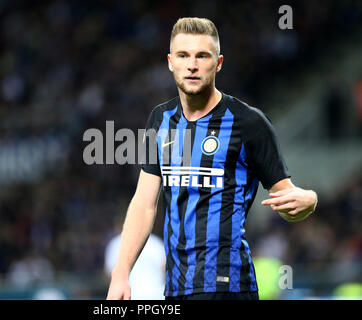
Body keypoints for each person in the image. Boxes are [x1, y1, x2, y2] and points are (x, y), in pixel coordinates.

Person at [106, 17, 318, 300]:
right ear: (171, 62)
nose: (192, 65)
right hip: (176, 287)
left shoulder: (249, 122)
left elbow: (288, 201)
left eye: (202, 56)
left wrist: (309, 200)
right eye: (183, 55)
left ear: (217, 63)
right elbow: (144, 204)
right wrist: (121, 275)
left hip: (228, 286)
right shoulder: (161, 119)